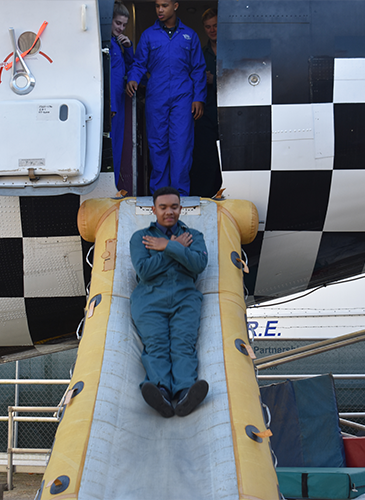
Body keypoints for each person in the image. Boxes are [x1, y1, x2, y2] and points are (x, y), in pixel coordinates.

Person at [130, 186, 209, 417]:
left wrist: (166, 246)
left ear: (180, 208)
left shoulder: (194, 236)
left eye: (174, 207)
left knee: (183, 344)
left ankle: (185, 392)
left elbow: (198, 265)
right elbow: (144, 271)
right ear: (154, 210)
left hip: (185, 299)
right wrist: (174, 249)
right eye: (163, 207)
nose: (169, 212)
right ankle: (161, 391)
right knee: (156, 344)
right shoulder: (140, 238)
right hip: (149, 301)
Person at [125, 0, 206, 197]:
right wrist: (134, 78)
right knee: (158, 145)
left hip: (183, 97)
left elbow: (198, 69)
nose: (160, 10)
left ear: (175, 6)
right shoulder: (148, 35)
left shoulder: (190, 36)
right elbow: (138, 63)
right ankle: (160, 195)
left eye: (165, 5)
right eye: (157, 6)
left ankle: (180, 196)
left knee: (181, 145)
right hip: (157, 96)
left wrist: (198, 98)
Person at [189, 8, 222, 197]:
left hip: (232, 113)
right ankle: (208, 196)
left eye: (216, 25)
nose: (212, 30)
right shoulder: (200, 54)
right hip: (206, 113)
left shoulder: (233, 52)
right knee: (206, 157)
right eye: (208, 27)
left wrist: (214, 79)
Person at [110, 2, 134, 191]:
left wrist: (129, 48)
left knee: (118, 147)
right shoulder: (106, 45)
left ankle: (115, 189)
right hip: (111, 106)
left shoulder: (117, 45)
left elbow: (129, 68)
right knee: (112, 149)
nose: (121, 28)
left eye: (124, 25)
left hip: (118, 104)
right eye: (118, 23)